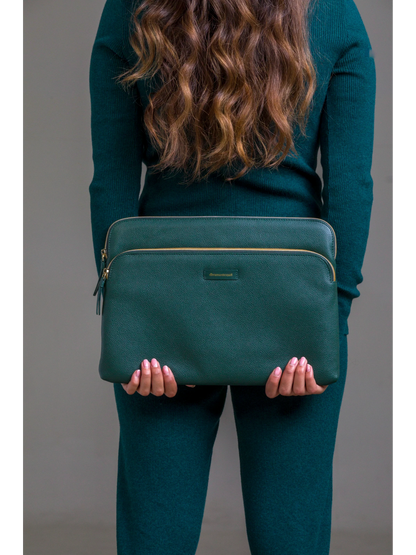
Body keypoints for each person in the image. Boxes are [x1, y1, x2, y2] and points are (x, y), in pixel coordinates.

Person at [89, 0, 376, 553]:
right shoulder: (335, 12)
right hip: (294, 310)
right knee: (292, 540)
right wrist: (326, 329)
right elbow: (351, 187)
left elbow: (112, 183)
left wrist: (128, 328)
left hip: (161, 310)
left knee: (155, 539)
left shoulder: (131, 8)